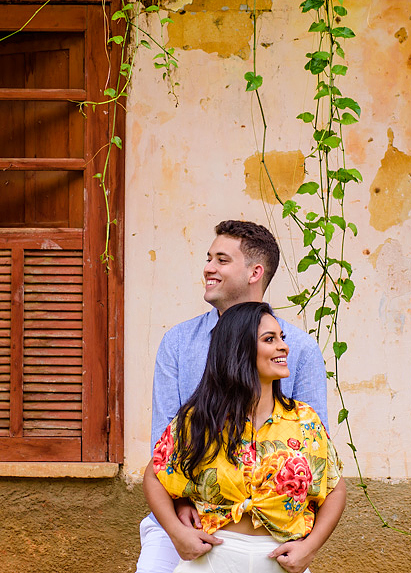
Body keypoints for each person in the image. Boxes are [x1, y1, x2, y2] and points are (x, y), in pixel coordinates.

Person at [136, 220, 329, 573]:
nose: (208, 268)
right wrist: (179, 516)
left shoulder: (299, 349)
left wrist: (304, 539)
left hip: (272, 534)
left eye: (221, 260)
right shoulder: (178, 343)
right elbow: (163, 444)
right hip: (182, 518)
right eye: (209, 258)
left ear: (255, 272)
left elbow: (314, 453)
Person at [144, 302, 345, 573]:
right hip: (211, 562)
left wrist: (310, 548)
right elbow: (155, 474)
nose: (284, 347)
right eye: (269, 339)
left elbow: (334, 487)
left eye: (282, 338)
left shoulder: (304, 421)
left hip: (281, 563)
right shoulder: (200, 418)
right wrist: (177, 534)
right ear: (239, 349)